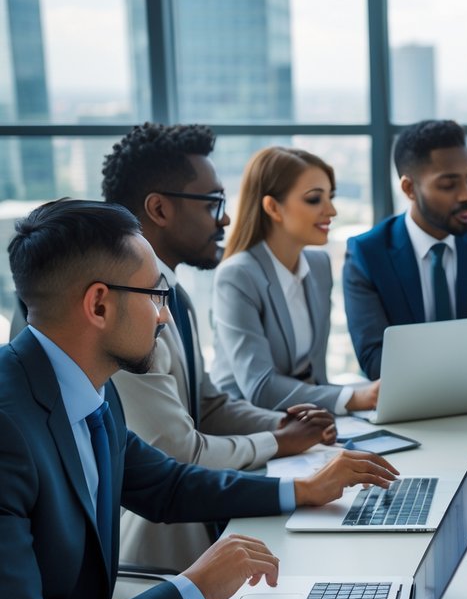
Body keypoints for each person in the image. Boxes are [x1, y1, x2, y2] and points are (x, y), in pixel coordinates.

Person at [0, 200, 398, 599]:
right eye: (156, 296)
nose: (165, 317)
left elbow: (166, 486)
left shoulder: (83, 389)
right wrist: (191, 590)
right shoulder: (9, 427)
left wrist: (303, 489)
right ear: (99, 304)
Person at [99, 123, 337, 570]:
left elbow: (205, 404)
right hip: (158, 558)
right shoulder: (128, 315)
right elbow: (179, 451)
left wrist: (287, 424)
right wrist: (277, 441)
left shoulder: (175, 297)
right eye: (212, 204)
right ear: (159, 209)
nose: (225, 219)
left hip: (206, 533)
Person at [344, 120, 467, 380]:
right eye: (448, 185)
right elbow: (374, 360)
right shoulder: (367, 253)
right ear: (409, 189)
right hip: (404, 400)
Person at [211, 146, 379, 413]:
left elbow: (317, 377)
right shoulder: (237, 276)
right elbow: (260, 387)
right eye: (315, 199)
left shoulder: (319, 264)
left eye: (331, 197)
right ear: (273, 207)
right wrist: (354, 399)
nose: (332, 210)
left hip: (308, 420)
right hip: (249, 424)